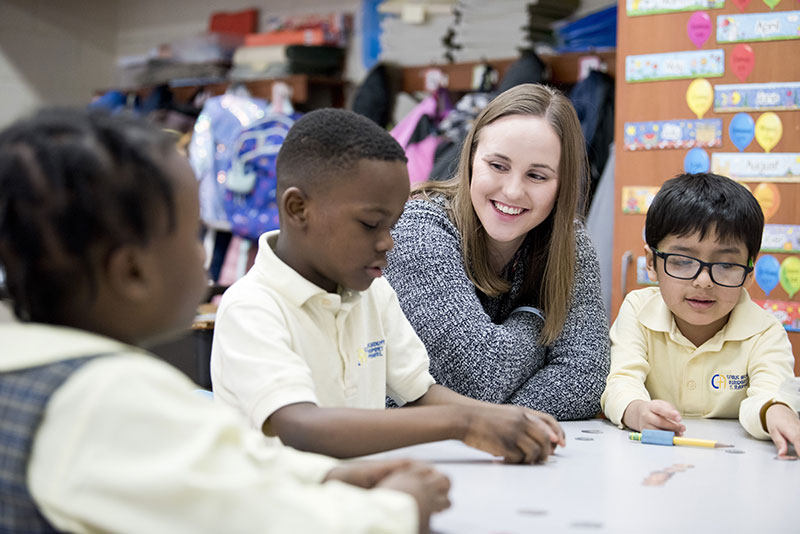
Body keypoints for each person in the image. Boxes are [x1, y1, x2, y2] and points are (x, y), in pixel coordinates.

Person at [0, 108, 452, 533]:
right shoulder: (104, 396)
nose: (203, 254)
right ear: (131, 271)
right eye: (191, 232)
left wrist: (326, 475)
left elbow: (230, 468)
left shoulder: (27, 369)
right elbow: (263, 521)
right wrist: (401, 505)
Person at [211, 108, 565, 464]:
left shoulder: (371, 292)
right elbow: (302, 428)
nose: (388, 243)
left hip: (357, 499)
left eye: (392, 225)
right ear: (298, 208)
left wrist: (501, 419)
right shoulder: (252, 308)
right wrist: (466, 422)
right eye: (370, 224)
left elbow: (420, 393)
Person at [384, 83, 610, 420]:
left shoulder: (569, 243)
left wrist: (493, 419)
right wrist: (536, 315)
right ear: (472, 158)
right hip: (406, 448)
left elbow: (587, 379)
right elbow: (480, 376)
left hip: (507, 452)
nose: (513, 191)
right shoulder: (419, 229)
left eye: (537, 175)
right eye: (498, 166)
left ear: (563, 184)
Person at [601, 172, 800, 457]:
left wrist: (776, 410)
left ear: (749, 273)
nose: (703, 281)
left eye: (726, 265)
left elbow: (769, 391)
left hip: (732, 465)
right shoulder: (637, 309)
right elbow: (621, 381)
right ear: (651, 263)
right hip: (650, 458)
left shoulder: (764, 331)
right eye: (682, 261)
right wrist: (636, 410)